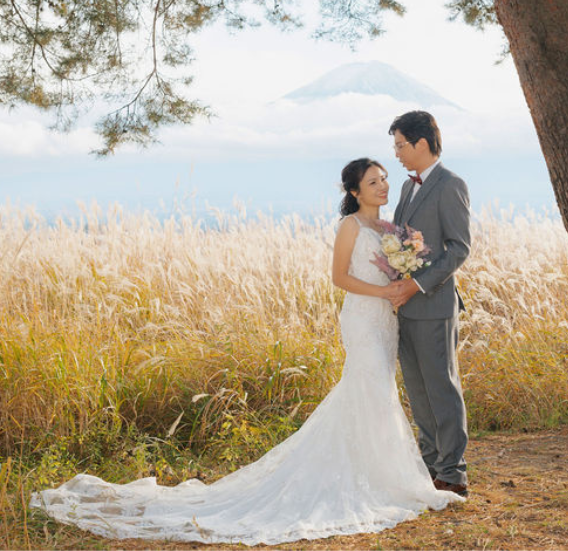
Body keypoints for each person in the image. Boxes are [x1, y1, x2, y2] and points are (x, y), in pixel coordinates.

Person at [28, 157, 462, 544]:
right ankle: (367, 478)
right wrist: (386, 291)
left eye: (384, 179)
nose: (383, 186)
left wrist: (399, 285)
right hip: (364, 318)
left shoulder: (387, 229)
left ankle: (381, 473)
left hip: (386, 319)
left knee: (378, 391)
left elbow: (408, 263)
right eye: (373, 182)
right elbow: (339, 278)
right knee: (364, 386)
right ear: (354, 191)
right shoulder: (349, 226)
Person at [383, 110, 472, 496]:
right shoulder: (407, 189)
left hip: (434, 305)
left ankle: (453, 474)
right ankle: (430, 466)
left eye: (401, 145)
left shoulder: (451, 184)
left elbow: (459, 249)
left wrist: (416, 284)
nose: (397, 153)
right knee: (418, 392)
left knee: (441, 389)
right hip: (405, 308)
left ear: (422, 143)